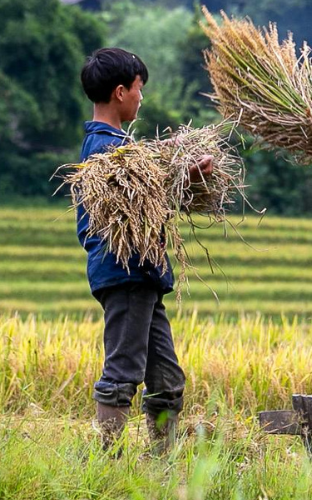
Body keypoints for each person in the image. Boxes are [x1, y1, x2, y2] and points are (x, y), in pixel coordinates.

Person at [77, 47, 212, 444]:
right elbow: (131, 205)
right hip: (127, 273)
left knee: (167, 380)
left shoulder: (119, 148)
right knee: (122, 372)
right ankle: (107, 464)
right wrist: (181, 175)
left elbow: (143, 198)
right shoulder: (107, 152)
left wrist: (182, 177)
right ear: (121, 92)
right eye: (139, 89)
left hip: (144, 275)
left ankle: (163, 464)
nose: (141, 97)